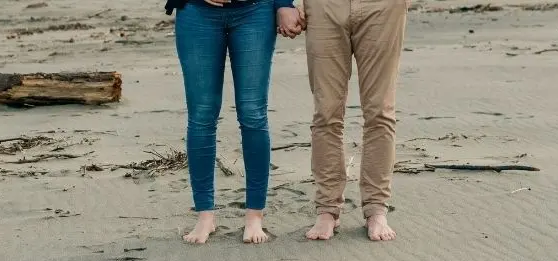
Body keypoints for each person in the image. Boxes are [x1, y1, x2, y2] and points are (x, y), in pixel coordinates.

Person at [166, 0, 306, 244]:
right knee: (201, 115)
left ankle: (254, 216)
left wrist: (284, 3)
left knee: (253, 114)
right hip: (197, 12)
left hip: (256, 11)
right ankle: (205, 216)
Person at [295, 0, 408, 242]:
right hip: (324, 7)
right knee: (326, 113)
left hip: (383, 7)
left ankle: (376, 208)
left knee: (380, 112)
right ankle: (327, 209)